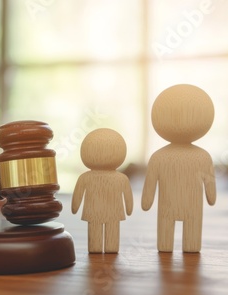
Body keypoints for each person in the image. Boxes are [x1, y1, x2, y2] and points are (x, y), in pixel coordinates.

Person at [141, 84, 217, 253]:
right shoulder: (203, 157)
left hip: (167, 207)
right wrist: (211, 196)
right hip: (192, 207)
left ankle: (169, 245)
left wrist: (147, 201)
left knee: (166, 243)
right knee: (190, 241)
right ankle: (186, 246)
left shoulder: (158, 156)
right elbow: (210, 190)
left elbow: (149, 187)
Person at [72, 128, 133, 253]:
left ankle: (99, 247)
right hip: (112, 213)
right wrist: (129, 208)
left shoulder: (85, 177)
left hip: (94, 212)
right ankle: (106, 247)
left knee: (98, 238)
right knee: (109, 235)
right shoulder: (121, 178)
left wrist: (75, 207)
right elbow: (128, 199)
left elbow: (77, 198)